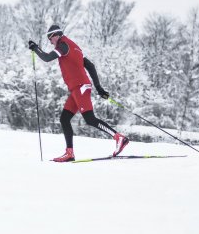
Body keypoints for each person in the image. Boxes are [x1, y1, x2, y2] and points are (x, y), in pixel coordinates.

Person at [28, 25, 129, 162]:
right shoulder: (75, 47)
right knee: (64, 118)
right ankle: (69, 153)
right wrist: (98, 88)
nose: (50, 42)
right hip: (77, 88)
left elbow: (46, 58)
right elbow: (90, 66)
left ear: (56, 35)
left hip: (80, 87)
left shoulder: (64, 46)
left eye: (50, 38)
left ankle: (119, 138)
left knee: (89, 119)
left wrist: (35, 48)